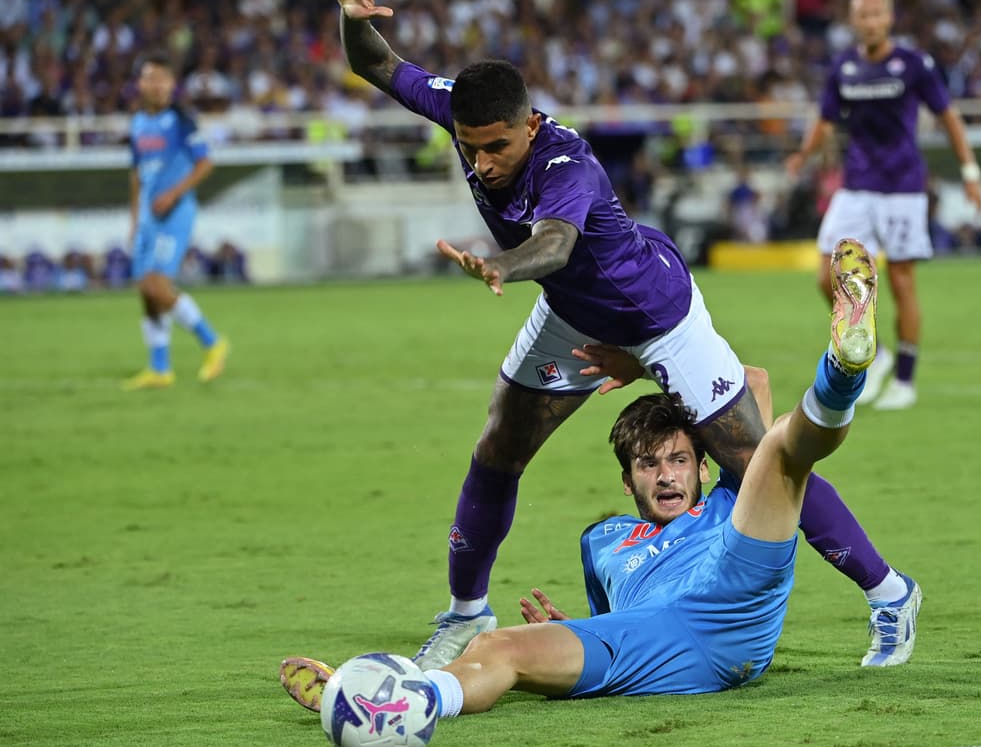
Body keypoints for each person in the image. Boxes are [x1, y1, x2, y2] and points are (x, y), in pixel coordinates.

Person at [334, 0, 919, 672]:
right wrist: (354, 14)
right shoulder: (465, 109)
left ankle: (891, 593)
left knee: (757, 465)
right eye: (469, 146)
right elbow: (377, 64)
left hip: (657, 316)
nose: (480, 160)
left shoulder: (564, 164)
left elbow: (552, 245)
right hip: (576, 314)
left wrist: (499, 266)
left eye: (494, 147)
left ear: (530, 125)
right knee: (498, 444)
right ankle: (464, 612)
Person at [281, 237, 920, 715]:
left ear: (701, 465)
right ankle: (387, 705)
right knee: (503, 648)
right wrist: (570, 634)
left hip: (731, 602)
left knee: (777, 447)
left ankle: (844, 367)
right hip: (652, 642)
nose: (667, 477)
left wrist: (647, 367)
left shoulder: (725, 498)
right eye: (649, 465)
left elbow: (749, 384)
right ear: (627, 482)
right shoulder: (604, 540)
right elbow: (612, 621)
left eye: (677, 460)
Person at [787, 0, 981, 412]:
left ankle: (906, 381)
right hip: (856, 186)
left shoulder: (913, 65)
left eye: (877, 14)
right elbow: (823, 121)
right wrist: (803, 154)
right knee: (826, 276)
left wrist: (970, 171)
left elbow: (948, 117)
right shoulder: (843, 68)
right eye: (863, 15)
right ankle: (877, 351)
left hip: (902, 189)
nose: (870, 21)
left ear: (889, 18)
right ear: (853, 21)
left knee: (901, 282)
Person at [121, 54, 229, 390]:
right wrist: (135, 218)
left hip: (176, 212)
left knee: (157, 285)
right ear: (140, 84)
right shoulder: (138, 123)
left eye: (163, 79)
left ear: (172, 85)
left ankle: (212, 342)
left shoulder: (181, 120)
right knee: (145, 291)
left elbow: (205, 163)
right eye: (150, 79)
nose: (157, 85)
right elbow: (137, 175)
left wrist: (174, 194)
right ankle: (160, 368)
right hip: (150, 217)